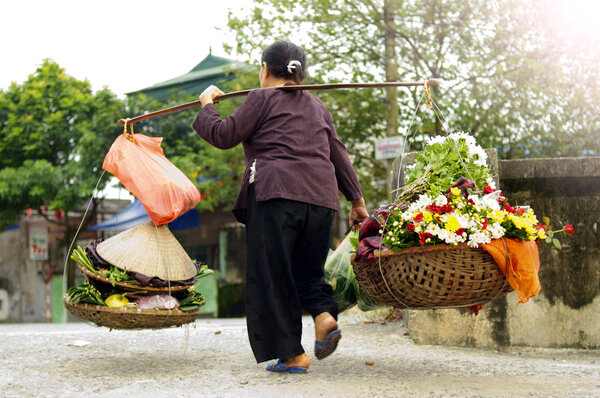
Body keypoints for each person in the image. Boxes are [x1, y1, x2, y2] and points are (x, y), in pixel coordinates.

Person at [192, 40, 369, 374]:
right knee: (309, 272)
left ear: (264, 69)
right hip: (320, 199)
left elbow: (223, 135)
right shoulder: (318, 107)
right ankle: (324, 316)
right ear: (300, 76)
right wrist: (356, 202)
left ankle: (291, 354)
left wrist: (207, 106)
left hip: (275, 194)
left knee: (272, 275)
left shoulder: (260, 98)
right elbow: (338, 154)